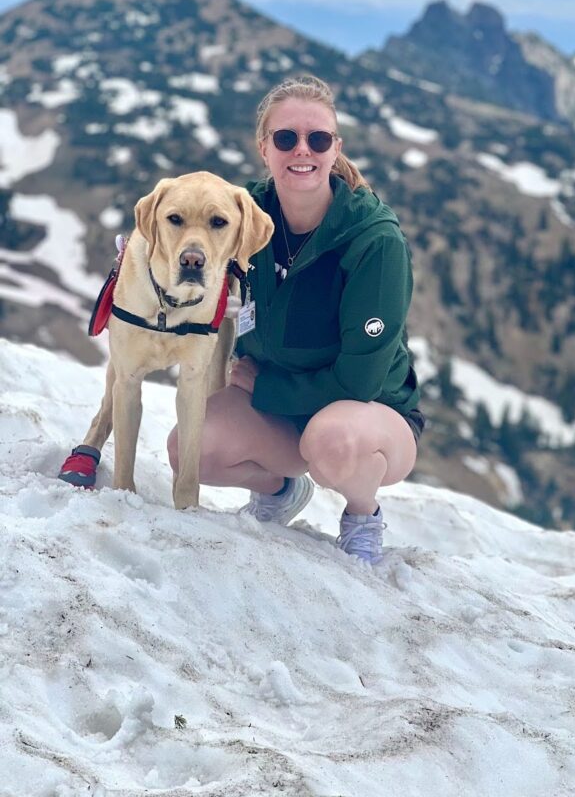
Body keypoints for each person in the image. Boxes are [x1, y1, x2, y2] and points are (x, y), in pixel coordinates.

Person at [167, 74, 424, 564]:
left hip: (366, 411)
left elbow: (361, 379)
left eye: (317, 139)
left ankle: (362, 513)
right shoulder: (246, 213)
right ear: (264, 148)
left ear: (335, 149)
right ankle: (282, 488)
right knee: (190, 450)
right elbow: (188, 243)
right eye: (286, 138)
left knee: (332, 441)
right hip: (281, 408)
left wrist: (263, 388)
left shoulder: (375, 240)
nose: (301, 150)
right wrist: (143, 262)